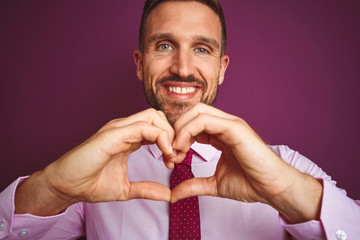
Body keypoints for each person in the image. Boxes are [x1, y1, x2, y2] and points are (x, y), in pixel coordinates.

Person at [0, 0, 359, 239]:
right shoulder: (94, 173)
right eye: (165, 45)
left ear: (222, 68)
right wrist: (52, 188)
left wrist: (285, 190)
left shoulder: (285, 166)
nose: (183, 69)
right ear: (140, 64)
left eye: (202, 49)